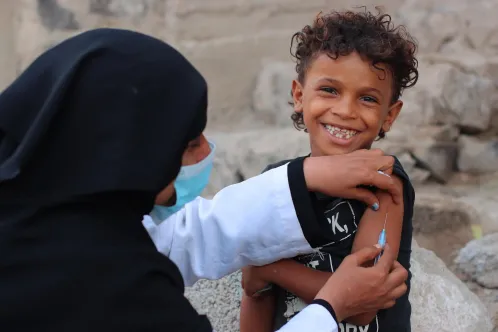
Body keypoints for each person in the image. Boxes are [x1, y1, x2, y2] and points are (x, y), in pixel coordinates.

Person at [0, 28, 406, 332]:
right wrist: (331, 305)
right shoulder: (119, 290)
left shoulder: (39, 217)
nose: (206, 153)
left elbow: (188, 236)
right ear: (131, 152)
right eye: (189, 141)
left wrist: (299, 183)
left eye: (367, 98)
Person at [239, 9, 419, 332]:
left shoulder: (384, 181)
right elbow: (257, 296)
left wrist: (269, 269)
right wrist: (260, 276)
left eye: (367, 98)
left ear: (389, 115)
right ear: (298, 95)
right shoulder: (277, 187)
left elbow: (362, 301)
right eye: (330, 90)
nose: (345, 111)